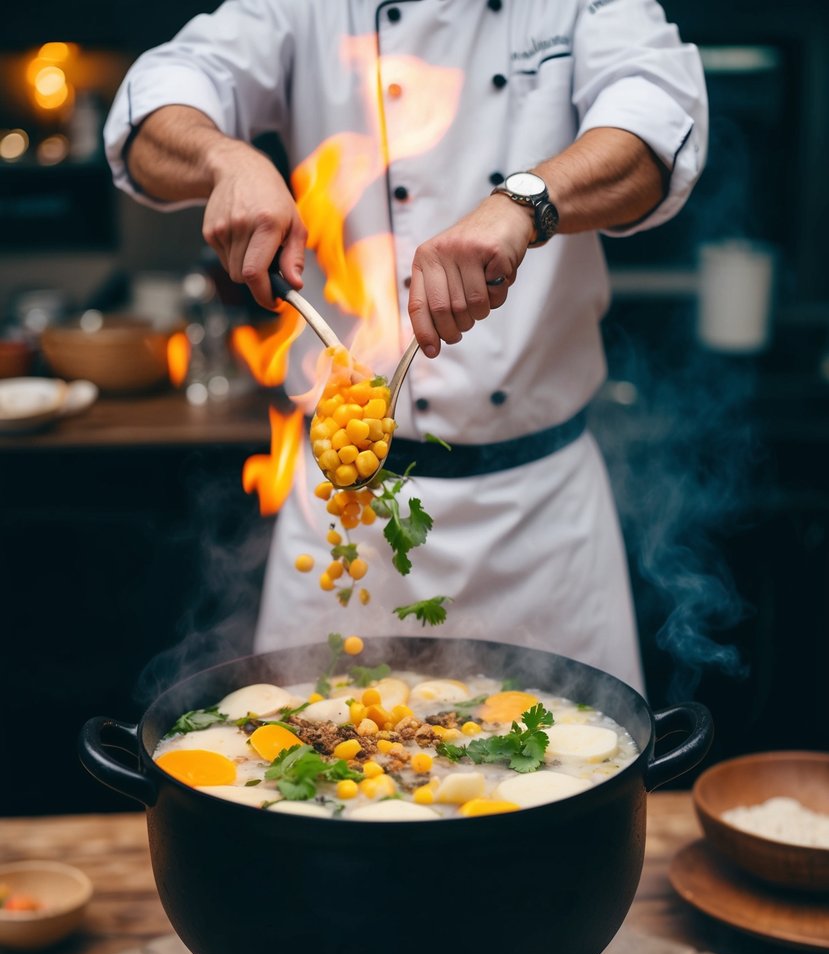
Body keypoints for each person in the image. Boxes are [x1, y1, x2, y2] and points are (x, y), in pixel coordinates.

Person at [105, 0, 707, 693]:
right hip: (341, 512)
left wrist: (527, 201)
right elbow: (153, 111)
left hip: (536, 521)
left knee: (565, 773)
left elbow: (657, 126)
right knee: (307, 771)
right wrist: (225, 158)